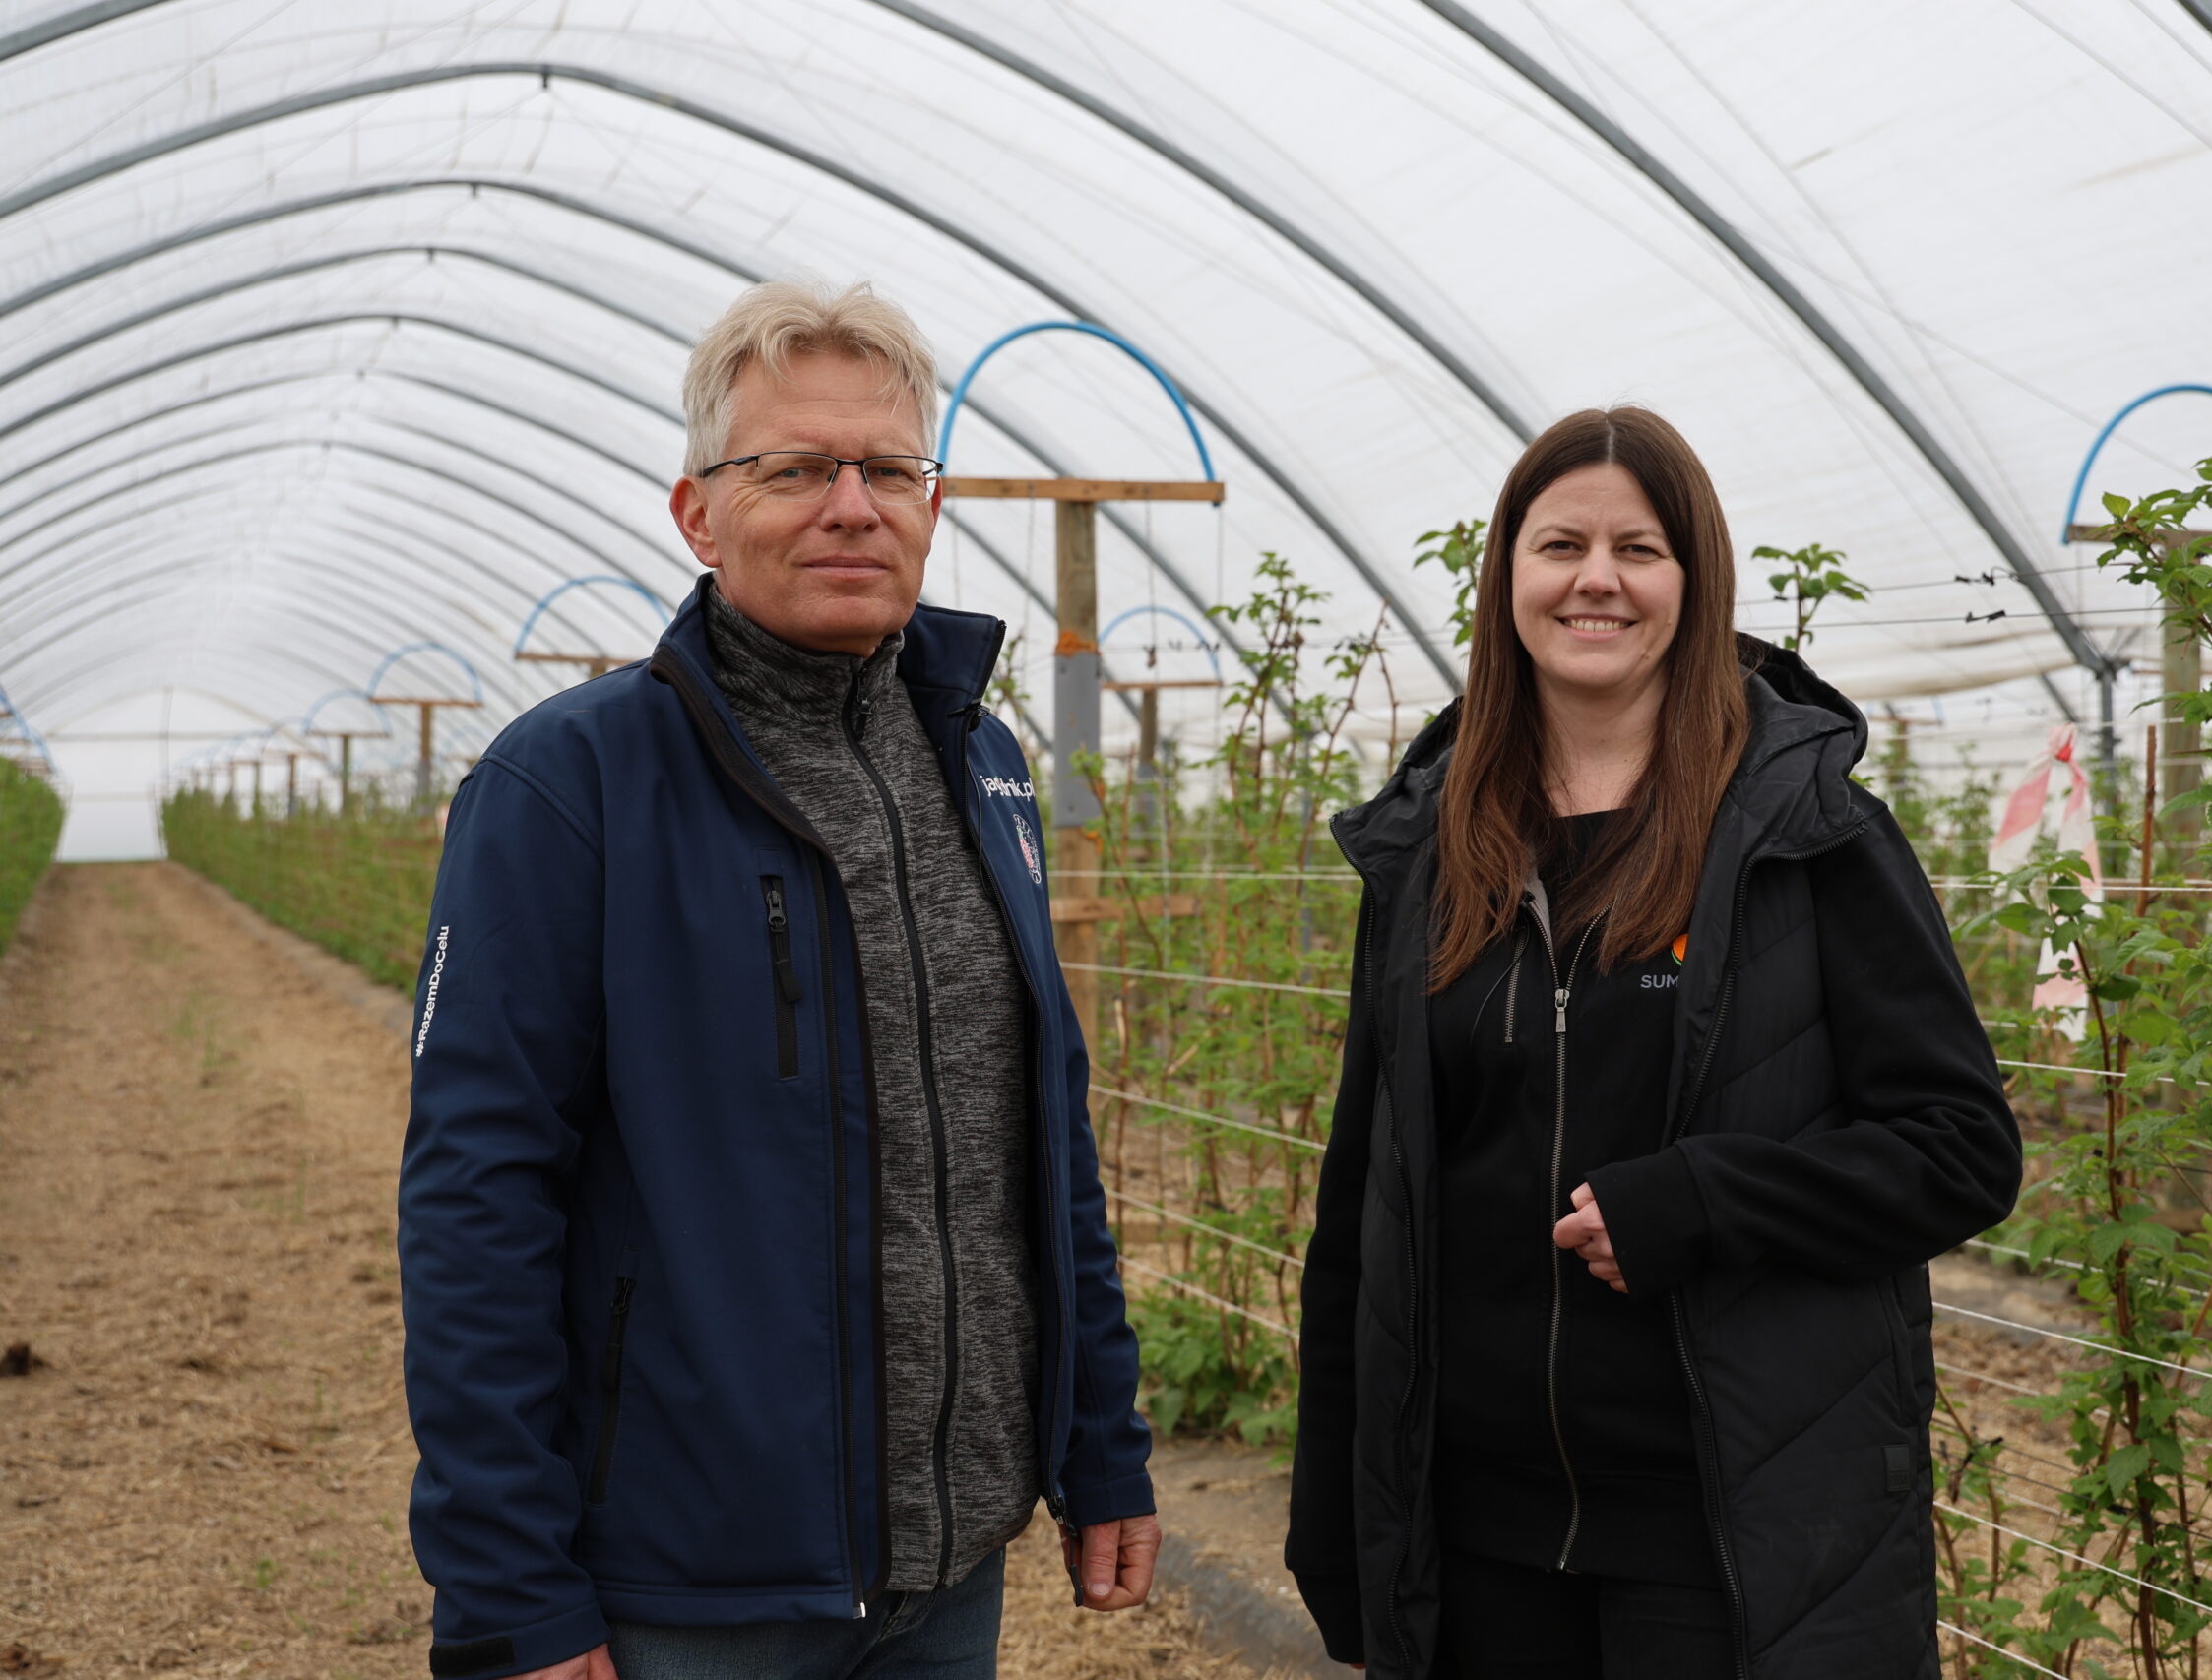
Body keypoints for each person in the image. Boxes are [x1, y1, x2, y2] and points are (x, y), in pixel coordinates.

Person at [398, 278, 1160, 1680]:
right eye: (797, 468)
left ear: (930, 504)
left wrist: (1101, 1441)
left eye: (889, 470)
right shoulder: (573, 782)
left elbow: (1040, 1140)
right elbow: (477, 1196)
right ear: (698, 513)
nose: (852, 507)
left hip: (950, 1572)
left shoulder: (981, 764)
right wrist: (508, 1584)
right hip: (694, 1583)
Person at [1286, 406, 2020, 1679]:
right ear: (1507, 575)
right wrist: (1340, 1533)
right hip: (1478, 1539)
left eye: (1639, 548)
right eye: (1560, 545)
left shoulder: (1808, 836)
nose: (1598, 580)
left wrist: (1708, 1201)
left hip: (1725, 1537)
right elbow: (1366, 1203)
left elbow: (1960, 1150)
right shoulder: (1430, 850)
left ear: (1695, 580)